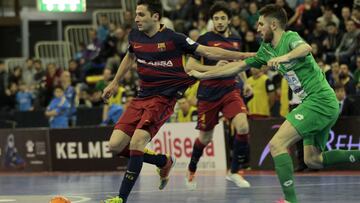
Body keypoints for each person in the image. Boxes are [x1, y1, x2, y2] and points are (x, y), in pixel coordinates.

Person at [188, 4, 360, 203]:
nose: (258, 28)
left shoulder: (289, 38)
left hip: (319, 100)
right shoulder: (266, 49)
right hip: (315, 103)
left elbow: (306, 48)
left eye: (261, 24)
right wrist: (204, 74)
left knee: (277, 145)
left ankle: (290, 201)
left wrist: (284, 57)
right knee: (313, 160)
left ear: (274, 24)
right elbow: (237, 67)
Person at [101, 1, 253, 203]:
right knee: (114, 145)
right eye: (136, 14)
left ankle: (121, 199)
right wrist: (114, 82)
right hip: (141, 97)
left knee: (137, 142)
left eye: (141, 14)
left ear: (155, 17)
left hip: (163, 99)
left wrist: (243, 55)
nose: (136, 18)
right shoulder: (134, 35)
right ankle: (162, 161)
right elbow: (130, 56)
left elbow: (207, 52)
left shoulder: (175, 39)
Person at [184, 1, 251, 190]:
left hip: (230, 90)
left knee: (243, 126)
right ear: (212, 21)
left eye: (223, 18)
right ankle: (191, 169)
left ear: (229, 20)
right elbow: (190, 67)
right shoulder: (204, 40)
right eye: (216, 18)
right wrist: (213, 68)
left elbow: (240, 63)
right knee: (205, 138)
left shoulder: (237, 40)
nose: (219, 22)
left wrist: (245, 83)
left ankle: (234, 171)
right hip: (208, 94)